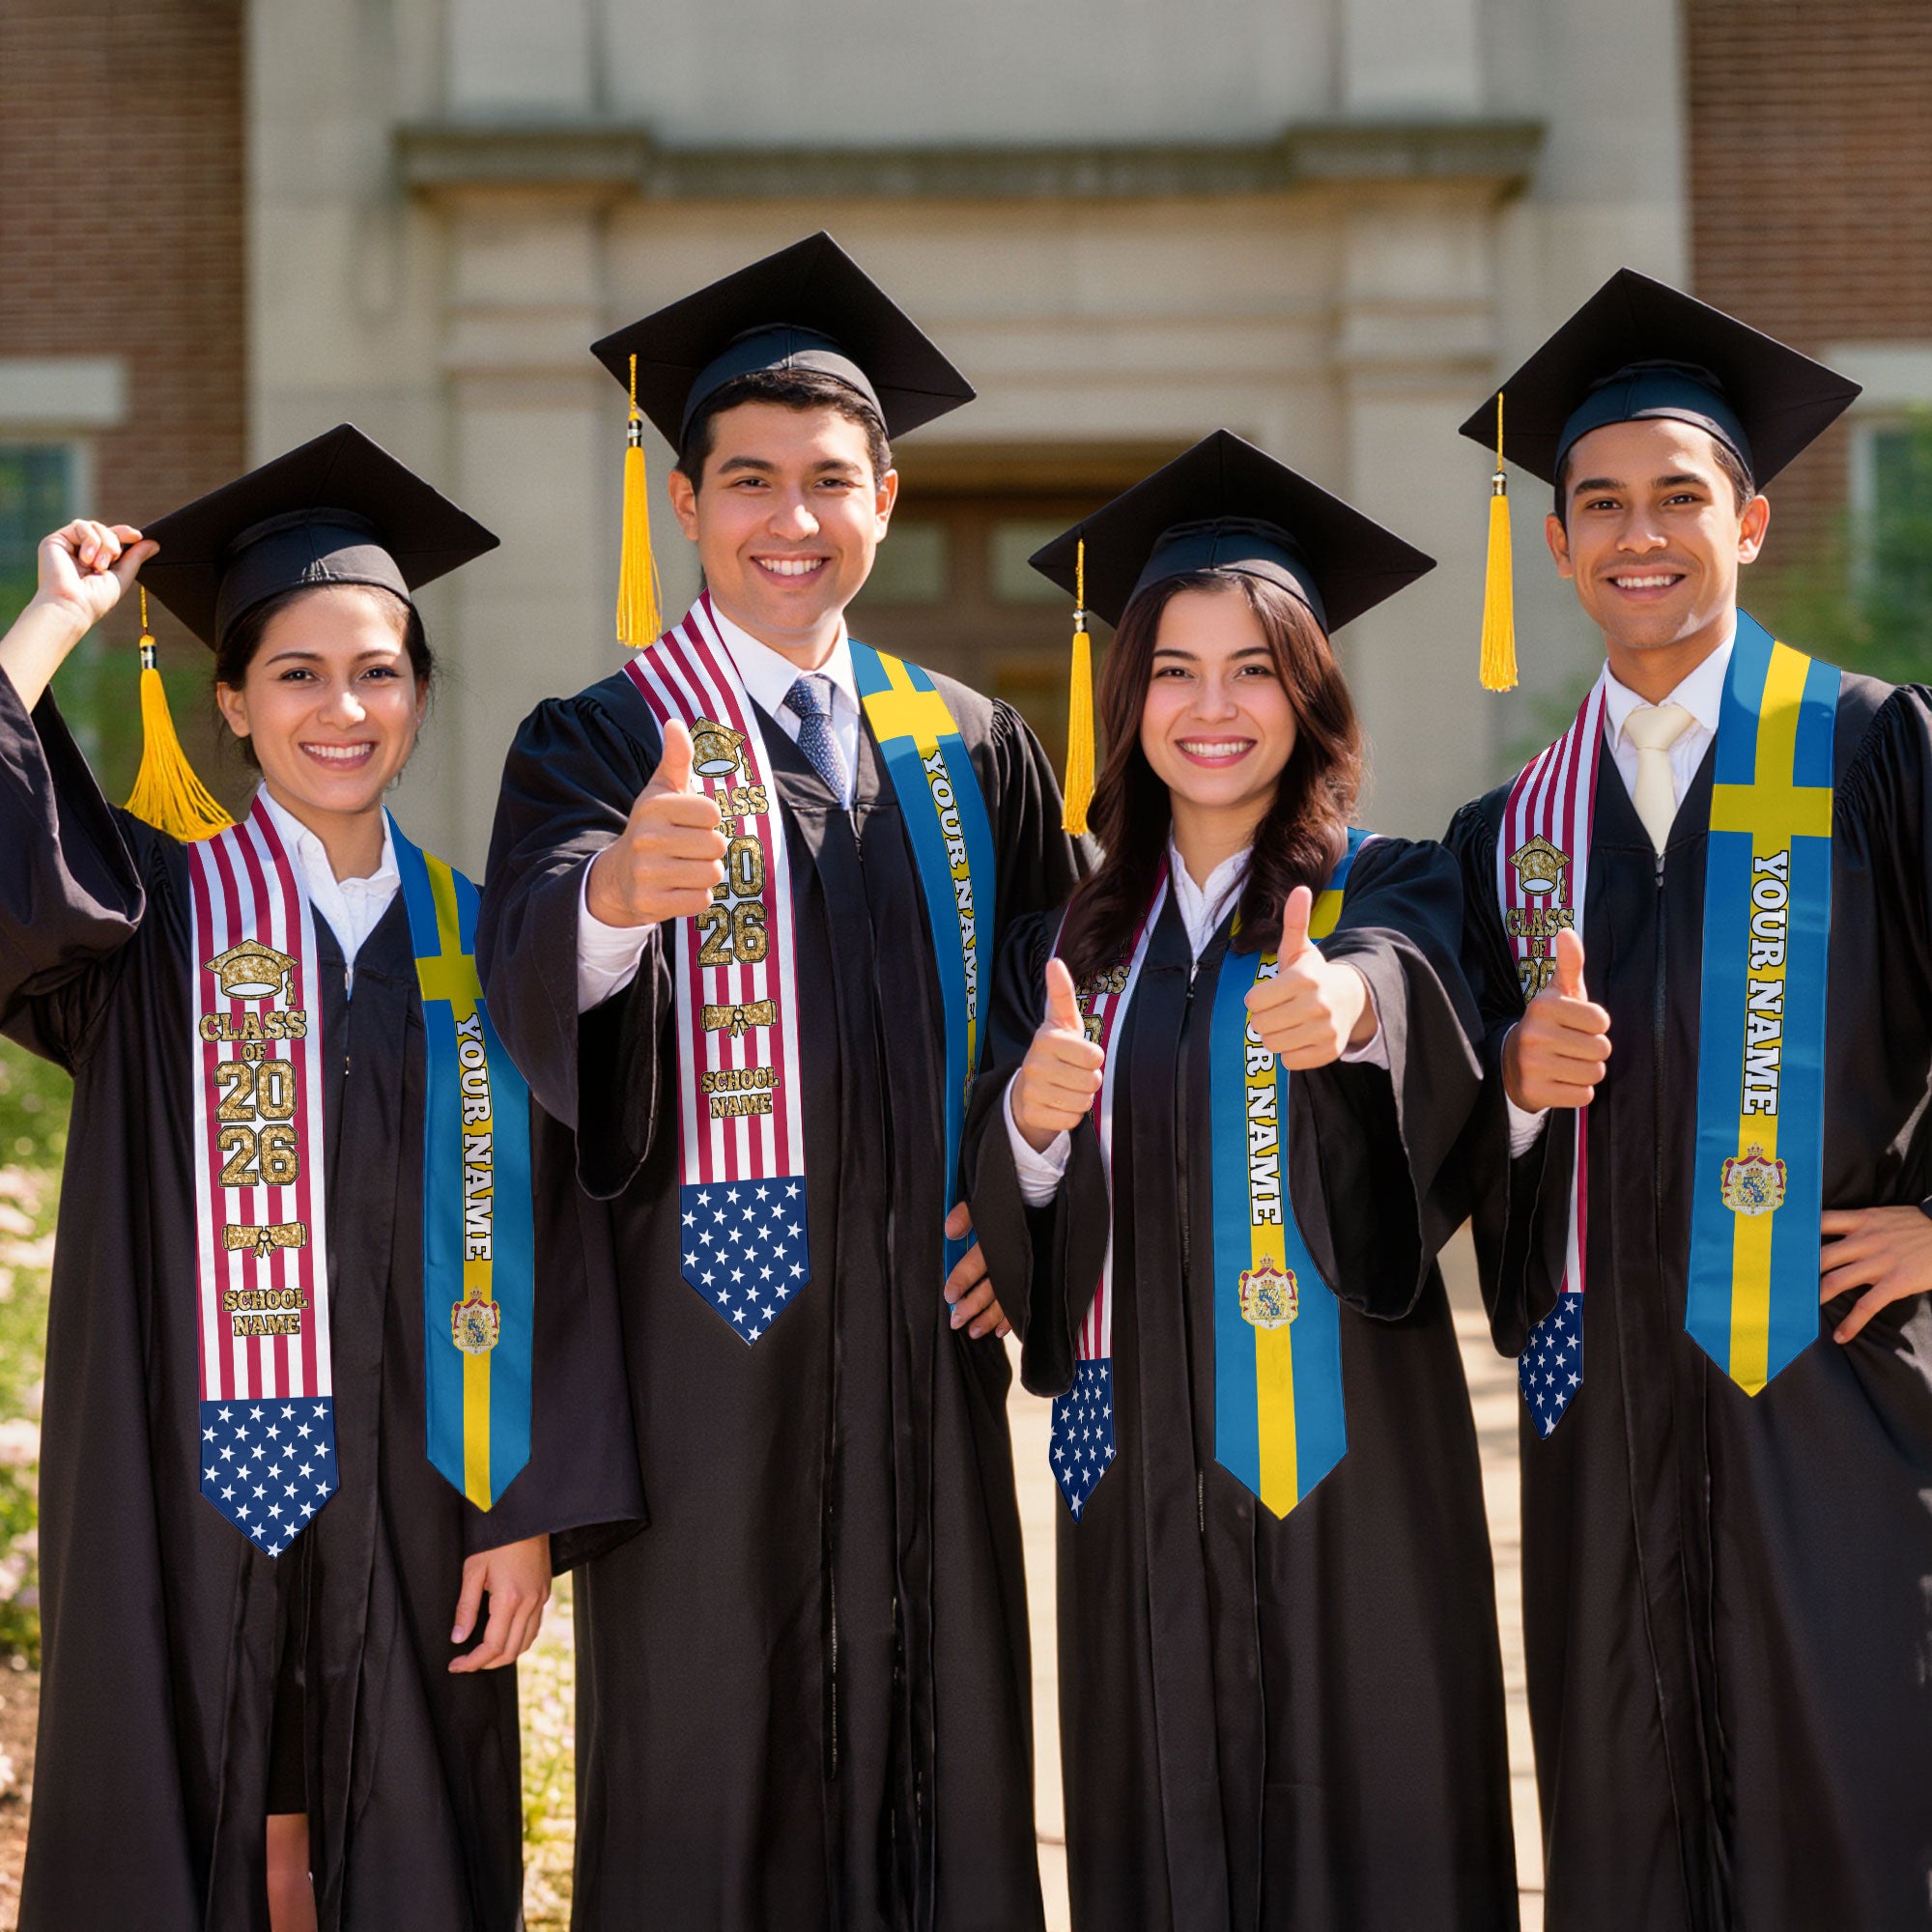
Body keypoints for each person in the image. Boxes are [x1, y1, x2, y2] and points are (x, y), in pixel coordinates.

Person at [478, 233, 1083, 1930]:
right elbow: (534, 967)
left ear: (886, 497)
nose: (790, 520)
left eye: (831, 481)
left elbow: (1077, 999)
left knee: (943, 1757)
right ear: (686, 504)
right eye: (749, 481)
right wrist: (610, 900)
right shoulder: (599, 739)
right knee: (709, 1773)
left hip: (923, 1353)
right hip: (705, 1368)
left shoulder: (972, 745)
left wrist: (1027, 1204)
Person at [0, 425, 641, 1932]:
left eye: (378, 671)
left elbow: (560, 1237)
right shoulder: (145, 921)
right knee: (190, 1805)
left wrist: (527, 1509)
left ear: (419, 694)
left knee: (406, 1833)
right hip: (181, 1480)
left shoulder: (492, 949)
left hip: (428, 1494)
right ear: (230, 701)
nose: (340, 709)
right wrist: (51, 625)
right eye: (295, 673)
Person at [963, 431, 1519, 1930]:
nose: (1214, 709)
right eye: (1174, 671)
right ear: (1126, 696)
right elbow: (1012, 1195)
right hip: (1131, 1461)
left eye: (1256, 668)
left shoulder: (1392, 885)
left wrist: (1351, 1013)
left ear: (1311, 692)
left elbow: (1417, 990)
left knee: (1377, 1824)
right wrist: (1027, 1118)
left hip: (1353, 1468)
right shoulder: (1066, 945)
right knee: (1160, 1829)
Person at [1446, 270, 1932, 1931]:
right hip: (1602, 1411)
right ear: (1561, 543)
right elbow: (1445, 1136)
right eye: (1599, 504)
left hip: (1833, 1385)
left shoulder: (1871, 749)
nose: (1636, 534)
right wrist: (1511, 1088)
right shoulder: (1510, 831)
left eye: (1678, 497)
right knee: (1624, 1813)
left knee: (1853, 1800)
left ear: (1752, 520)